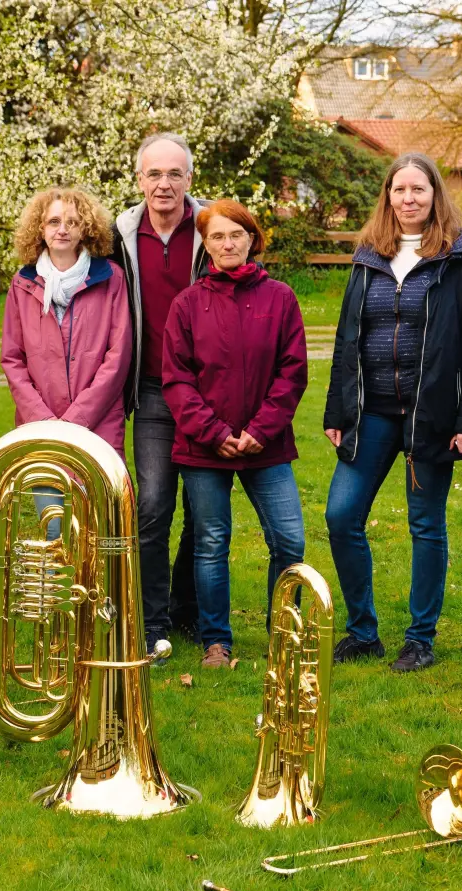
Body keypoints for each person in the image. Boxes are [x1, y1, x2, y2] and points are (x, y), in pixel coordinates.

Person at [322, 153, 462, 673]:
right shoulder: (369, 255)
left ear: (434, 194)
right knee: (341, 515)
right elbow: (347, 336)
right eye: (400, 190)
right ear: (389, 196)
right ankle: (362, 631)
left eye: (419, 189)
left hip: (431, 416)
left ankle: (420, 639)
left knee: (425, 524)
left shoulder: (461, 258)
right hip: (371, 411)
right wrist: (337, 408)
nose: (409, 199)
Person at [162, 200, 307, 669]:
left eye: (236, 235)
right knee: (210, 542)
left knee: (288, 541)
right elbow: (177, 379)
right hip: (204, 448)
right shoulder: (187, 304)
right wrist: (213, 432)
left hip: (266, 446)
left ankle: (284, 634)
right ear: (206, 246)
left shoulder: (280, 298)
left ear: (252, 239)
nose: (228, 244)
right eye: (217, 237)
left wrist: (261, 430)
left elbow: (292, 371)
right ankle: (216, 642)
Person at [111, 133, 207, 654]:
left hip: (208, 393)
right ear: (139, 179)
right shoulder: (120, 233)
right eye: (154, 174)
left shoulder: (212, 228)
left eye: (175, 174)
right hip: (152, 389)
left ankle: (187, 609)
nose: (164, 184)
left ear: (190, 179)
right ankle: (151, 621)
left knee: (202, 509)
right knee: (151, 505)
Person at [0, 186, 131, 458]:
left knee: (99, 501)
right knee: (49, 502)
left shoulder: (111, 279)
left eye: (73, 222)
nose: (63, 230)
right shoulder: (22, 284)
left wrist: (76, 420)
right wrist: (44, 419)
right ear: (40, 229)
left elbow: (117, 357)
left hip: (100, 424)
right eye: (54, 222)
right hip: (39, 425)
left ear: (86, 229)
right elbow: (13, 359)